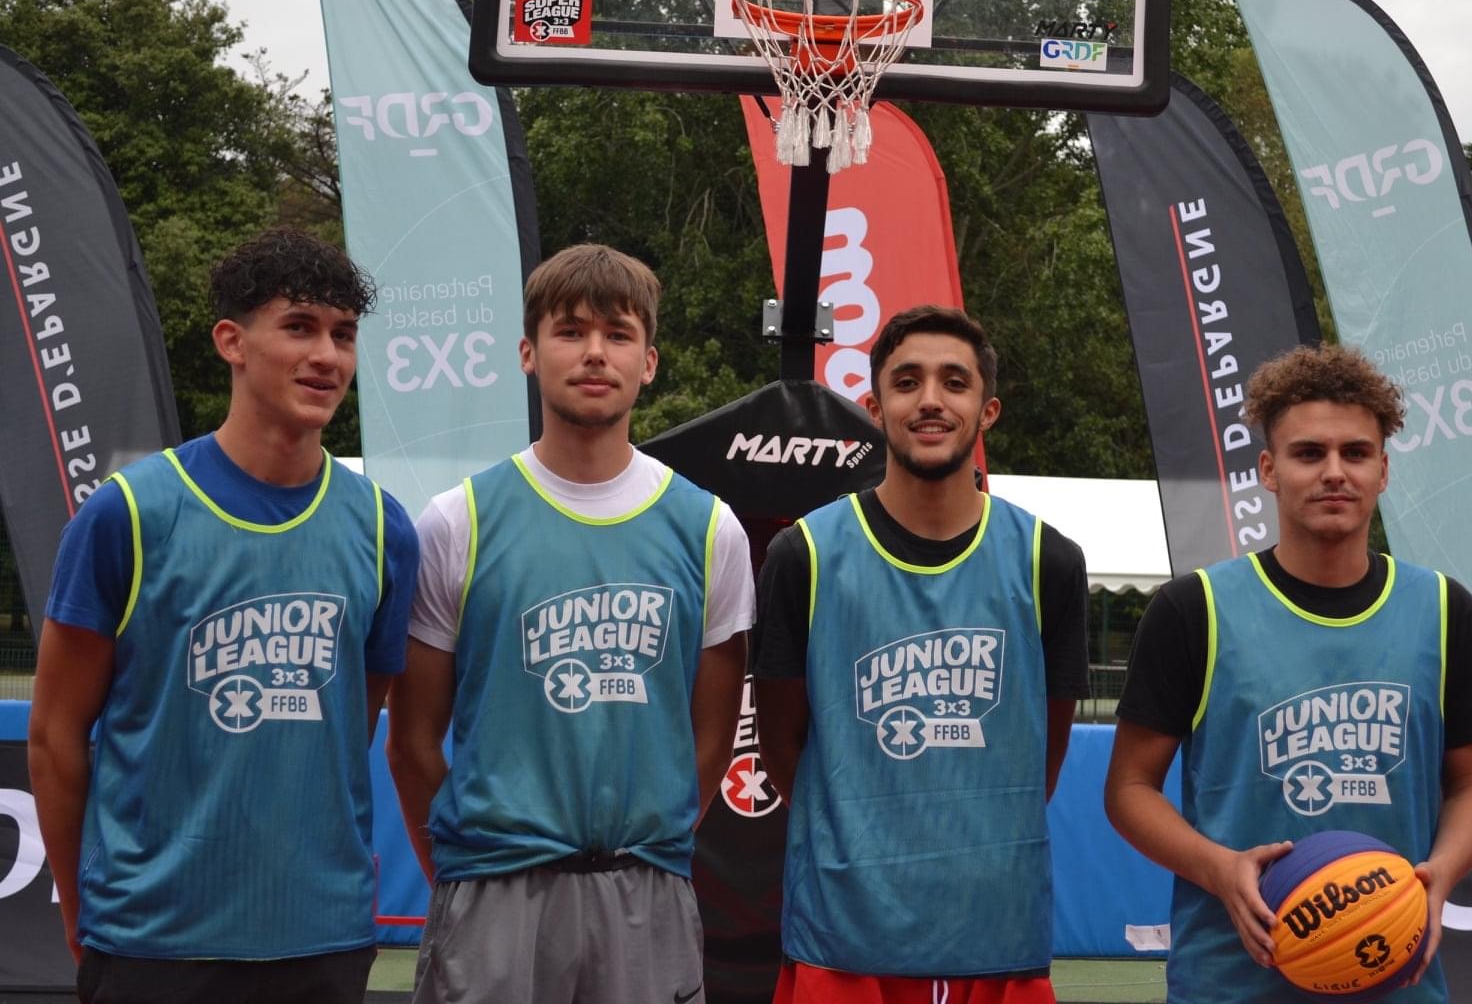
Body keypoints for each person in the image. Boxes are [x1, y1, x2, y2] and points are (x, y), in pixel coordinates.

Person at [27, 227, 419, 1004]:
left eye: (343, 335)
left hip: (322, 938)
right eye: (299, 326)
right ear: (232, 341)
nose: (328, 356)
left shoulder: (384, 529)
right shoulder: (128, 514)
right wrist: (83, 914)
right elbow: (54, 737)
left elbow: (354, 724)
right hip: (153, 941)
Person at [388, 244, 753, 1004]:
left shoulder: (710, 528)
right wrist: (465, 867)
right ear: (528, 352)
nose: (594, 352)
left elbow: (711, 743)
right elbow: (413, 741)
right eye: (570, 331)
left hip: (644, 889)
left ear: (648, 362)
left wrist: (644, 846)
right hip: (494, 890)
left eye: (618, 334)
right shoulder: (457, 522)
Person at [1104, 343, 1472, 1004]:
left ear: (1383, 470)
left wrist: (1440, 874)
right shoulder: (1194, 609)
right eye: (1308, 453)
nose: (1334, 473)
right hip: (1233, 981)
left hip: (1394, 976)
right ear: (1269, 469)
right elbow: (1128, 789)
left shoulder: (1443, 609)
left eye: (1356, 453)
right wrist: (1220, 868)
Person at [753, 304, 1090, 1004]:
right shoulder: (804, 555)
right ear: (876, 408)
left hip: (995, 931)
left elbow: (1041, 758)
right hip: (845, 935)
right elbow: (786, 750)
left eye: (954, 382)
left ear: (987, 410)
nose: (931, 400)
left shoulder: (1048, 561)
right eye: (907, 382)